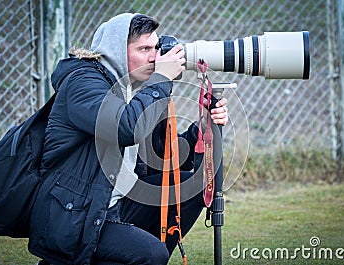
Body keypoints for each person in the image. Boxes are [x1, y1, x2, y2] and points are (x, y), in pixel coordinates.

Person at [29, 13, 228, 265]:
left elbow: (165, 158)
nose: (154, 56)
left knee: (189, 187)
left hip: (117, 202)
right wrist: (162, 80)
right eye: (143, 48)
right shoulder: (83, 81)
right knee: (150, 254)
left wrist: (202, 129)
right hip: (77, 212)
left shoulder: (135, 89)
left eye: (155, 47)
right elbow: (125, 127)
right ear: (116, 50)